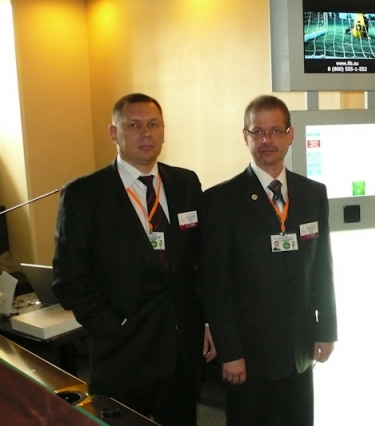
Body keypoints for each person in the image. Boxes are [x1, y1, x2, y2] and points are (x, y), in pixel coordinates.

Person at [52, 93, 215, 426]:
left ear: (164, 131)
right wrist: (115, 327)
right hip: (122, 356)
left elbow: (200, 261)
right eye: (134, 125)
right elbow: (70, 279)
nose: (145, 133)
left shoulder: (185, 183)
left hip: (181, 353)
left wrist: (206, 321)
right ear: (114, 133)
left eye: (153, 124)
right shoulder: (84, 194)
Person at [198, 94, 337, 425]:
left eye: (275, 131)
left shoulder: (313, 194)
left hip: (300, 352)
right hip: (249, 358)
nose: (266, 140)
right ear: (245, 137)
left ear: (290, 135)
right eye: (257, 132)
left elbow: (322, 268)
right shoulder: (221, 200)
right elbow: (215, 285)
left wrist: (326, 329)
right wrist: (230, 352)